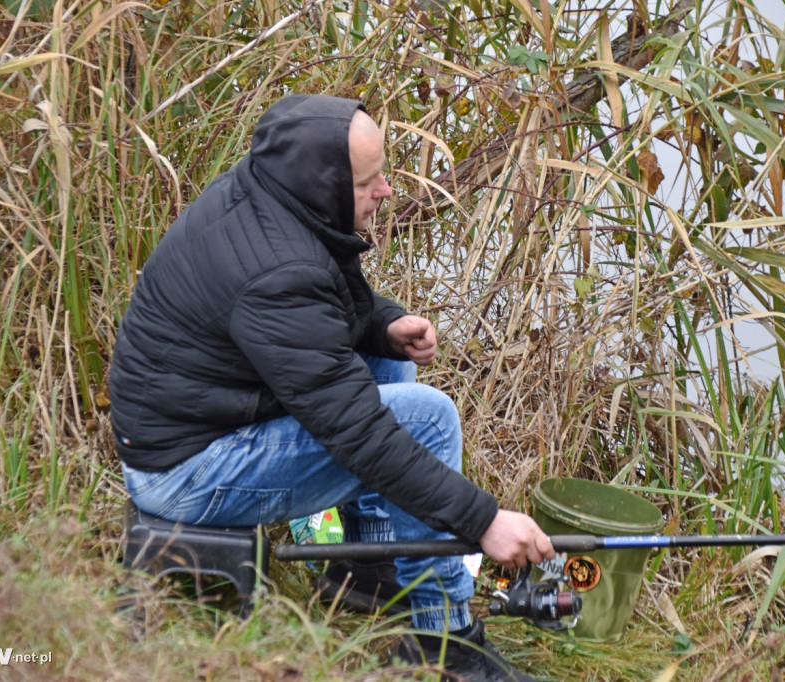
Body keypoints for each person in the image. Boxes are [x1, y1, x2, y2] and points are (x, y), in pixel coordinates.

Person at [109, 94, 556, 681]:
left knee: (390, 372)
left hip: (197, 420)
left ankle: (362, 570)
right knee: (426, 417)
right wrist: (484, 522)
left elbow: (322, 317)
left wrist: (383, 325)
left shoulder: (269, 197)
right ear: (323, 184)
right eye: (370, 180)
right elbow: (358, 431)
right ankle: (445, 644)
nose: (387, 191)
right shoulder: (277, 271)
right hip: (187, 474)